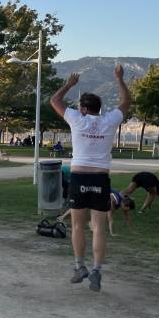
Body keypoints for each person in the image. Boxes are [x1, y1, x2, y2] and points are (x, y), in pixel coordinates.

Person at [50, 66, 130, 292]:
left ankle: (79, 266)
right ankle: (96, 270)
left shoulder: (77, 119)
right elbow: (126, 102)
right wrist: (119, 79)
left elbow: (54, 100)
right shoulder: (109, 120)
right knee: (98, 228)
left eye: (79, 107)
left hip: (79, 176)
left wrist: (69, 85)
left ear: (84, 109)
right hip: (100, 178)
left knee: (77, 225)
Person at [59, 189, 135, 237]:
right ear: (124, 204)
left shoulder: (123, 201)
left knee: (95, 211)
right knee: (80, 207)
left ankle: (91, 224)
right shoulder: (113, 201)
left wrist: (132, 230)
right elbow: (110, 218)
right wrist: (112, 233)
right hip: (92, 193)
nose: (126, 211)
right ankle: (61, 217)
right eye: (126, 209)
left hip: (98, 195)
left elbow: (127, 217)